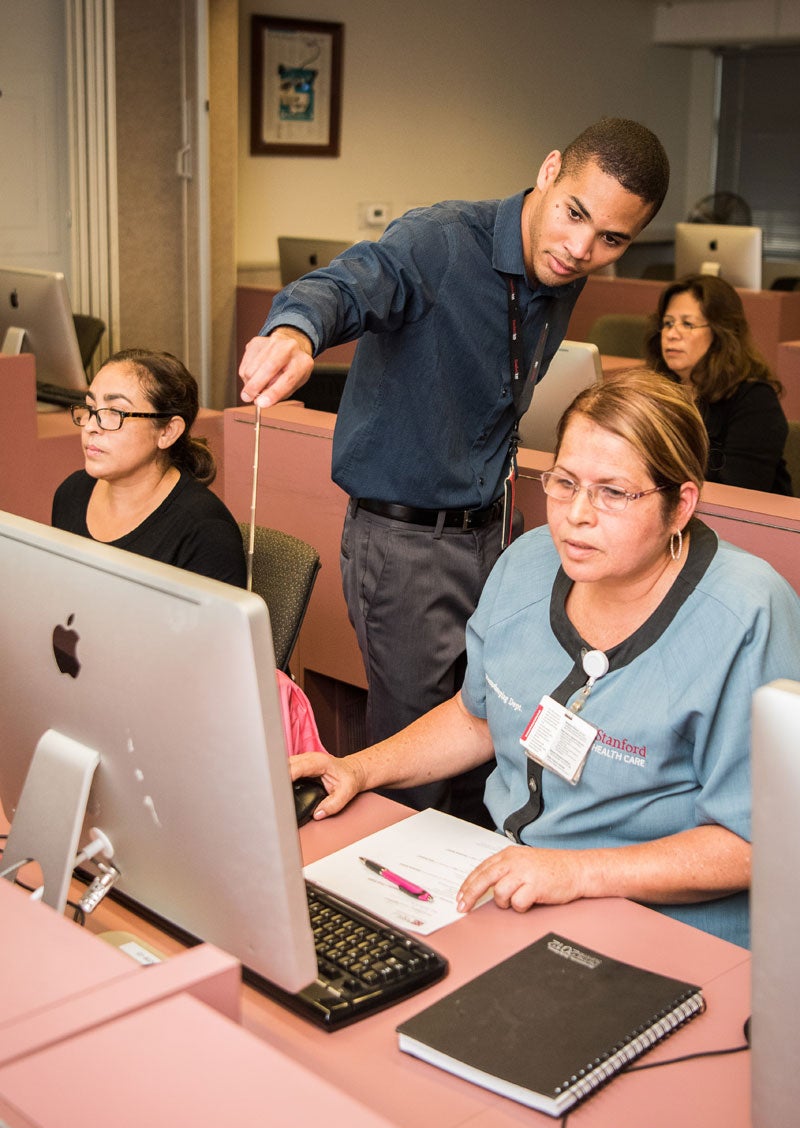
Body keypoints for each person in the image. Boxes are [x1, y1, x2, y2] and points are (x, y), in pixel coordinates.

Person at [238, 117, 670, 819]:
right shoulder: (440, 240)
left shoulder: (562, 268)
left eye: (612, 240)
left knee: (494, 738)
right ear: (551, 168)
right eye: (576, 214)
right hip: (406, 546)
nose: (581, 249)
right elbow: (350, 283)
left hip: (498, 536)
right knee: (415, 770)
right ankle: (389, 917)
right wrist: (297, 328)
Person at [288, 368, 800, 947]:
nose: (576, 514)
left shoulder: (747, 616)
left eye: (613, 492)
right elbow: (478, 715)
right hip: (522, 886)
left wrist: (577, 872)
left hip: (668, 928)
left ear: (680, 505)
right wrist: (358, 768)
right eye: (564, 482)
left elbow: (760, 842)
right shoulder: (529, 562)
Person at [52, 348, 246, 586]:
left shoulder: (205, 530)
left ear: (167, 431)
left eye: (115, 412)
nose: (91, 426)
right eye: (91, 408)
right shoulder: (72, 493)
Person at [645, 273, 792, 495]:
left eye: (687, 324)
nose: (671, 334)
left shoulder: (755, 401)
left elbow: (740, 493)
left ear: (720, 332)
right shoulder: (657, 392)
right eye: (667, 323)